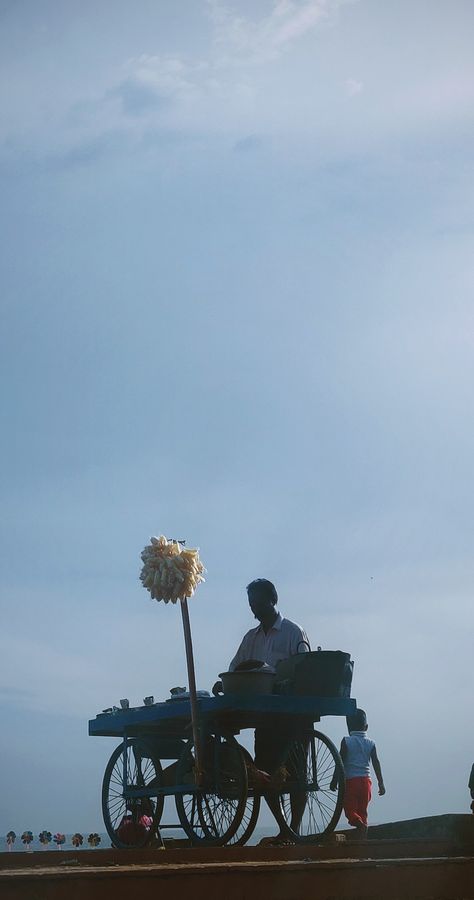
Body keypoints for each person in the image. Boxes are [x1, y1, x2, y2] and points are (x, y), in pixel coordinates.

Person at [228, 578, 310, 841]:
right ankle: (284, 829)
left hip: (292, 716)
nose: (253, 608)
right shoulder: (250, 638)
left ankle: (294, 830)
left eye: (257, 602)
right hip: (264, 718)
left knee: (297, 775)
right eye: (250, 603)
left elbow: (304, 667)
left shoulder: (293, 631)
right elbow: (234, 668)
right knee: (263, 773)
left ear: (272, 600)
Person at [333, 707, 385, 839]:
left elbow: (340, 763)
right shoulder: (371, 743)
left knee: (350, 811)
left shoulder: (346, 741)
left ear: (349, 727)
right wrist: (381, 783)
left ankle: (361, 827)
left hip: (351, 782)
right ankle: (363, 838)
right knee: (363, 811)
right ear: (366, 727)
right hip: (367, 782)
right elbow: (376, 763)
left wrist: (334, 780)